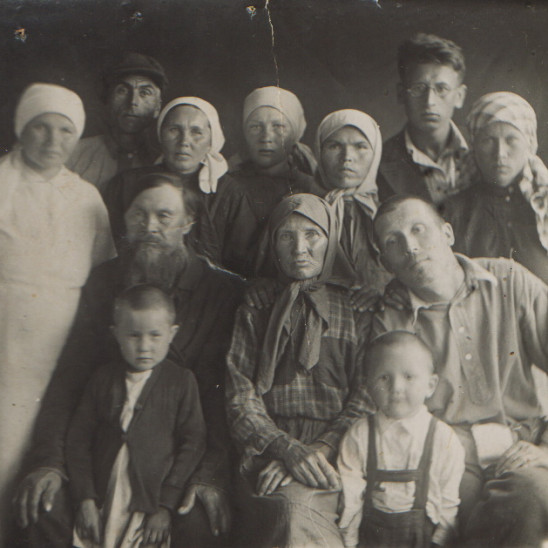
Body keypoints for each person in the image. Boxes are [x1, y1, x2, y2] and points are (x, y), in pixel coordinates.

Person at [13, 172, 243, 548]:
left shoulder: (221, 291)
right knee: (42, 506)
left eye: (164, 216)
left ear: (188, 222)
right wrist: (49, 462)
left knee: (199, 524)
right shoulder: (104, 283)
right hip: (100, 456)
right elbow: (69, 381)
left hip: (180, 462)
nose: (149, 227)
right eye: (139, 214)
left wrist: (210, 476)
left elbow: (221, 401)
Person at [371, 195, 548, 546]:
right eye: (393, 242)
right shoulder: (389, 319)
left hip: (521, 443)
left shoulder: (508, 281)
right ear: (385, 262)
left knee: (533, 493)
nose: (410, 247)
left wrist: (546, 448)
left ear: (447, 233)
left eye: (418, 230)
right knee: (439, 521)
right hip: (445, 457)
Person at [0, 82, 115, 546]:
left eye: (65, 130)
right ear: (20, 129)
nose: (52, 140)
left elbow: (103, 278)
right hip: (5, 344)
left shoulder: (87, 197)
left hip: (61, 350)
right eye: (40, 128)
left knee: (42, 453)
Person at [226, 193, 373, 547]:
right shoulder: (257, 307)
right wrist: (285, 449)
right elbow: (239, 396)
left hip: (340, 450)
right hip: (267, 450)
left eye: (312, 235)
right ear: (272, 244)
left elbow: (366, 397)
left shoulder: (356, 308)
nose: (299, 249)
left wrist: (318, 450)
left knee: (297, 514)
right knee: (285, 510)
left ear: (331, 239)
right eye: (286, 236)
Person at [66, 285, 206, 548]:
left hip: (149, 504)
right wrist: (85, 498)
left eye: (155, 336)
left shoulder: (181, 382)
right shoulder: (102, 379)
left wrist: (165, 505)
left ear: (172, 333)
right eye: (133, 336)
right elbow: (78, 440)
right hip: (104, 498)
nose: (144, 347)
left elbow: (193, 443)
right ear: (116, 334)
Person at [338, 331, 464, 548]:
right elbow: (350, 501)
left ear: (430, 385)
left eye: (408, 377)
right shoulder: (359, 435)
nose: (396, 387)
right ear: (367, 386)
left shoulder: (444, 439)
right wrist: (349, 543)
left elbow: (448, 505)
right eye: (384, 378)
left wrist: (439, 543)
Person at [103, 95, 254, 273]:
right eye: (174, 130)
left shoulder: (231, 193)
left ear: (211, 141)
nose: (184, 142)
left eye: (196, 132)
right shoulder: (126, 184)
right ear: (161, 135)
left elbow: (241, 266)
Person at [442, 91, 548, 284]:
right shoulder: (454, 211)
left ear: (530, 143)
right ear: (474, 146)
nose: (500, 153)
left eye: (511, 140)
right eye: (488, 141)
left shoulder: (543, 205)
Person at [227, 86, 322, 275]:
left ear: (294, 133)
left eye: (278, 127)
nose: (266, 137)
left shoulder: (311, 188)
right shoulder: (226, 186)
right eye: (255, 127)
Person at [377, 33, 469, 205]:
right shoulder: (379, 161)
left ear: (459, 96)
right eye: (418, 88)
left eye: (441, 89)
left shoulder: (484, 147)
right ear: (401, 94)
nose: (429, 101)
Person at [314, 109, 392, 293]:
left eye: (360, 146)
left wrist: (383, 290)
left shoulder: (391, 211)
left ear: (375, 152)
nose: (347, 157)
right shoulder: (301, 209)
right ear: (319, 150)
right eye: (334, 146)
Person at [66, 52, 166, 191]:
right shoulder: (73, 155)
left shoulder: (164, 162)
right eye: (122, 91)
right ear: (107, 99)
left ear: (157, 108)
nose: (133, 102)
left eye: (144, 93)